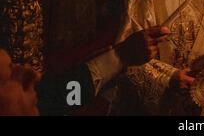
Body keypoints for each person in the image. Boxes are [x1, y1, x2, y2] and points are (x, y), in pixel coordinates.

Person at [0, 27, 169, 116]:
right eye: (9, 76)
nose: (34, 75)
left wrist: (122, 55)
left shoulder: (45, 102)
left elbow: (59, 95)